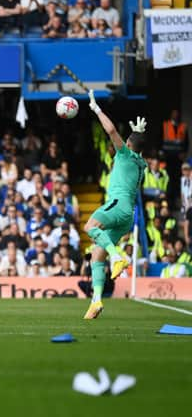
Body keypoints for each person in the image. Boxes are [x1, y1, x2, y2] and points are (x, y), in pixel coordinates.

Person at [82, 91, 147, 319]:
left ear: (128, 144)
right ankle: (96, 301)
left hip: (117, 205)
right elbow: (138, 147)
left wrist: (96, 109)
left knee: (89, 227)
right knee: (96, 256)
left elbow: (111, 131)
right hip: (128, 215)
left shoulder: (125, 155)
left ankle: (117, 256)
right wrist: (137, 134)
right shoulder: (142, 163)